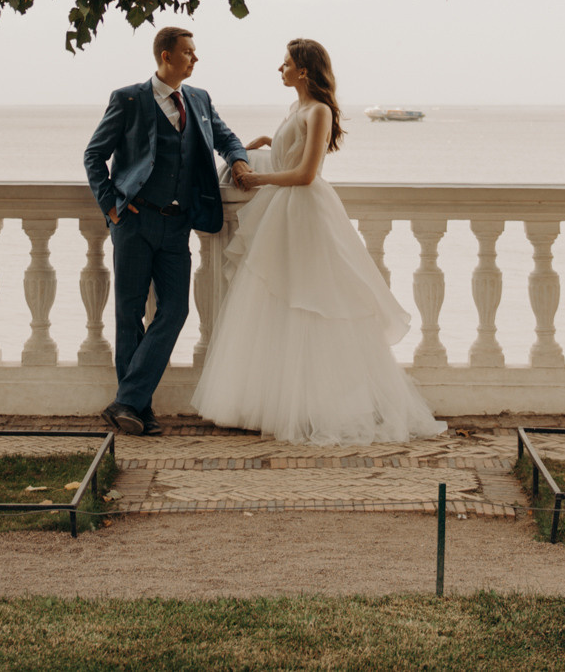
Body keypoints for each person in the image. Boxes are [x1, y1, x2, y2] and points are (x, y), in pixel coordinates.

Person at [190, 38, 443, 445]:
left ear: (304, 70)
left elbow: (306, 174)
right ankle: (276, 402)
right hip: (283, 211)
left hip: (305, 212)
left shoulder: (319, 110)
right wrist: (268, 144)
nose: (281, 69)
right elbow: (293, 153)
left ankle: (317, 405)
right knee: (278, 301)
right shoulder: (297, 109)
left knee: (310, 299)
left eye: (286, 63)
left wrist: (257, 178)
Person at [82, 25, 253, 437]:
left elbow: (226, 137)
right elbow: (94, 155)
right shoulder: (128, 99)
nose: (195, 58)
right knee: (129, 313)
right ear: (166, 56)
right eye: (189, 52)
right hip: (134, 221)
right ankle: (140, 409)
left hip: (177, 224)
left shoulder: (199, 99)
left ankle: (128, 400)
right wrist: (112, 207)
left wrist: (239, 159)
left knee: (176, 310)